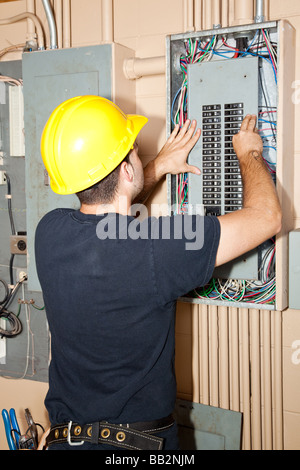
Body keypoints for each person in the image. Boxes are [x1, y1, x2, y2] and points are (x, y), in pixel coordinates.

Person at [35, 96, 281, 450]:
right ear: (126, 170)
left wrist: (156, 167)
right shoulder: (157, 250)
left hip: (64, 439)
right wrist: (249, 154)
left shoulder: (50, 232)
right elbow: (266, 217)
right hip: (137, 446)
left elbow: (112, 222)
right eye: (134, 150)